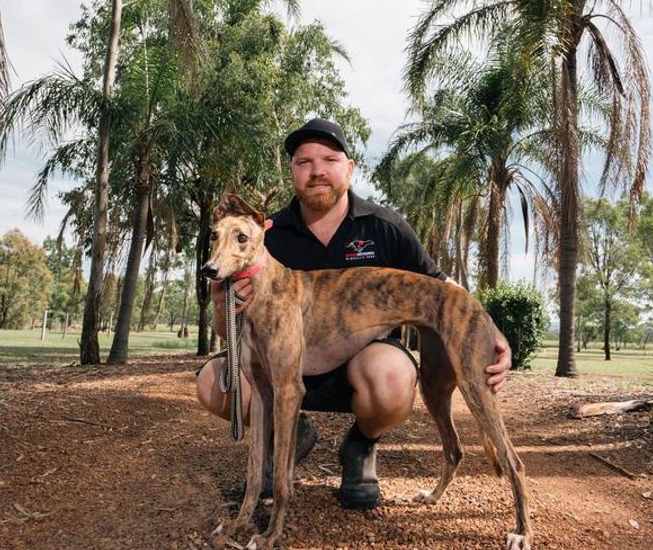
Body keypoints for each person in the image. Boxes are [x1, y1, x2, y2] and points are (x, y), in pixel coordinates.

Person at [196, 118, 511, 510]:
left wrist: (492, 333)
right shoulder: (262, 235)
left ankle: (362, 444)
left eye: (329, 159)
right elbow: (231, 330)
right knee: (213, 382)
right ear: (292, 171)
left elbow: (443, 288)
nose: (317, 170)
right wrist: (221, 300)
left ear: (350, 167)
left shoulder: (385, 227)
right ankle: (288, 429)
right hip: (287, 368)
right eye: (304, 162)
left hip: (365, 369)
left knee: (392, 375)